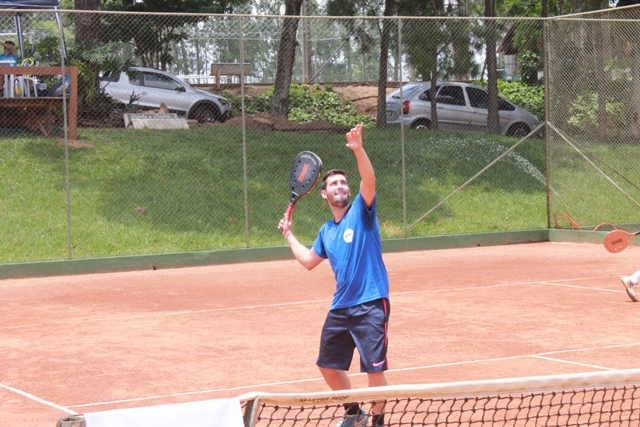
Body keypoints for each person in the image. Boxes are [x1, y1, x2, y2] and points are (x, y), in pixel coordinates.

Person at [278, 123, 390, 427]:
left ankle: (378, 421)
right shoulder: (326, 231)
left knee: (374, 370)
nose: (340, 186)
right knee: (327, 365)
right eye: (334, 184)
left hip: (370, 303)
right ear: (323, 194)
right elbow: (308, 261)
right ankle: (354, 413)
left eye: (343, 183)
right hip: (341, 307)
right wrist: (289, 235)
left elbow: (369, 180)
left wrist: (358, 149)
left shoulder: (361, 212)